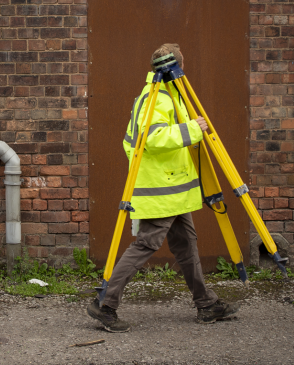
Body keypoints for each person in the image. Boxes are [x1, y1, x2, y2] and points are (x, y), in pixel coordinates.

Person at [87, 43, 239, 332]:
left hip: (174, 190)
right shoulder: (156, 98)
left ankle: (206, 304)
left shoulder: (169, 96)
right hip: (161, 189)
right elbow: (153, 137)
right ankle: (105, 304)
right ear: (176, 67)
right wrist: (194, 128)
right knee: (147, 244)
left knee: (187, 245)